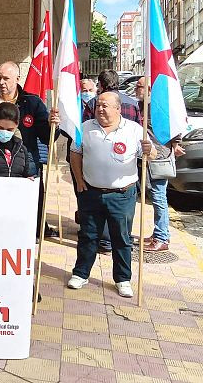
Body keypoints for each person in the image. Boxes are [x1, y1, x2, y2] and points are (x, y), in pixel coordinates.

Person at [67, 92, 156, 298]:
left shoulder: (134, 130)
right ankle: (81, 273)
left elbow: (152, 155)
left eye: (105, 106)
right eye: (98, 105)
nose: (100, 109)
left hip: (122, 195)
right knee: (88, 235)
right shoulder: (85, 128)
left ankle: (123, 279)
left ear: (118, 108)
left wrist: (149, 150)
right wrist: (79, 180)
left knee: (121, 238)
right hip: (91, 192)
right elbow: (75, 153)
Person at [0, 62, 56, 236]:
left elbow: (47, 136)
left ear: (17, 79)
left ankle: (35, 231)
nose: (1, 82)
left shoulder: (32, 103)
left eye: (6, 78)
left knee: (30, 202)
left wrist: (52, 125)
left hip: (26, 162)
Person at [135, 76, 185, 252]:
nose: (136, 90)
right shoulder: (140, 106)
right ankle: (160, 233)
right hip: (146, 156)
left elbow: (175, 126)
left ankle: (162, 237)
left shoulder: (158, 106)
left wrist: (176, 144)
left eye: (139, 87)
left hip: (159, 156)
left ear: (149, 89)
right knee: (153, 195)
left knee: (158, 196)